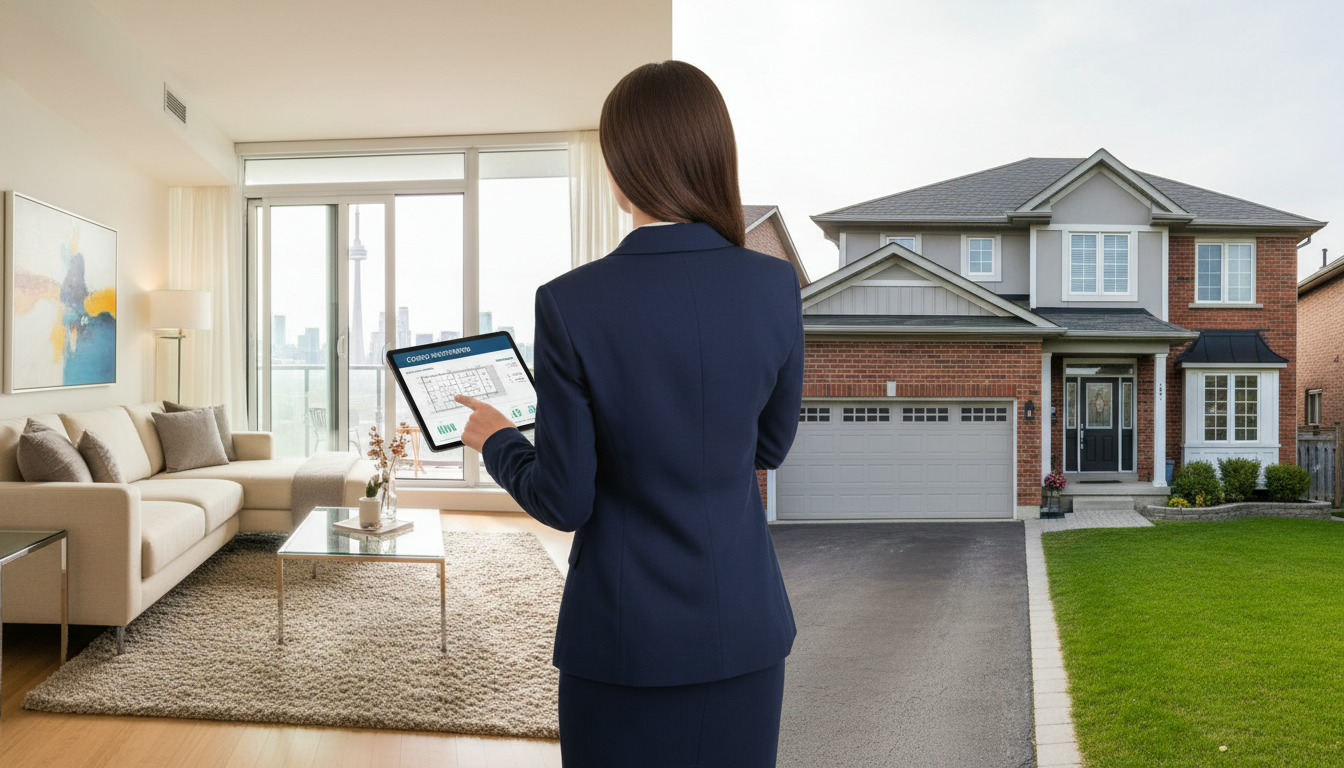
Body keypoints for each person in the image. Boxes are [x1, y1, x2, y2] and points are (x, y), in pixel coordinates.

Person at [454, 60, 804, 768]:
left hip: (623, 642)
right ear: (715, 157)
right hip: (745, 629)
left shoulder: (570, 301)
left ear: (620, 172)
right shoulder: (775, 287)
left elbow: (564, 497)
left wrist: (498, 440)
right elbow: (769, 445)